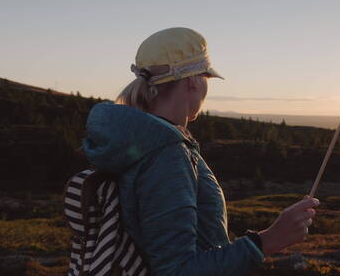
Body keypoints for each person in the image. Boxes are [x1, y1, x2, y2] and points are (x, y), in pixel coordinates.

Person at [83, 27, 320, 276]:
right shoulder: (166, 153)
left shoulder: (143, 140)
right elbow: (176, 270)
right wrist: (269, 240)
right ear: (193, 80)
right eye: (206, 77)